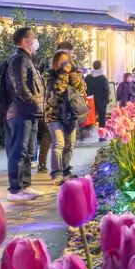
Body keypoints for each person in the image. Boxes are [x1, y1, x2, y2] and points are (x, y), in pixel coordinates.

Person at [2, 26, 46, 201]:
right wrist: (33, 102)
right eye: (32, 37)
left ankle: (25, 185)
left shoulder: (26, 59)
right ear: (24, 40)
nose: (35, 40)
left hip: (30, 112)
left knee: (28, 151)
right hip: (21, 112)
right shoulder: (18, 59)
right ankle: (15, 189)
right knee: (18, 151)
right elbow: (20, 87)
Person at [45, 43, 90, 178]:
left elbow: (81, 88)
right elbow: (58, 89)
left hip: (70, 113)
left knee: (69, 145)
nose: (65, 62)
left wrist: (74, 76)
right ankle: (56, 173)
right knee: (58, 144)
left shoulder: (74, 72)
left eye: (67, 59)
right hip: (54, 113)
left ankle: (65, 170)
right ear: (56, 61)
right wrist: (64, 73)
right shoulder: (49, 74)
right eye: (62, 60)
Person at [85, 60, 111, 139]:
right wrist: (107, 99)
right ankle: (102, 134)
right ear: (100, 67)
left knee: (89, 116)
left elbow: (84, 88)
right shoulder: (103, 78)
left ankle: (86, 133)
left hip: (90, 100)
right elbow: (106, 90)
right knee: (102, 118)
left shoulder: (88, 77)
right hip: (101, 101)